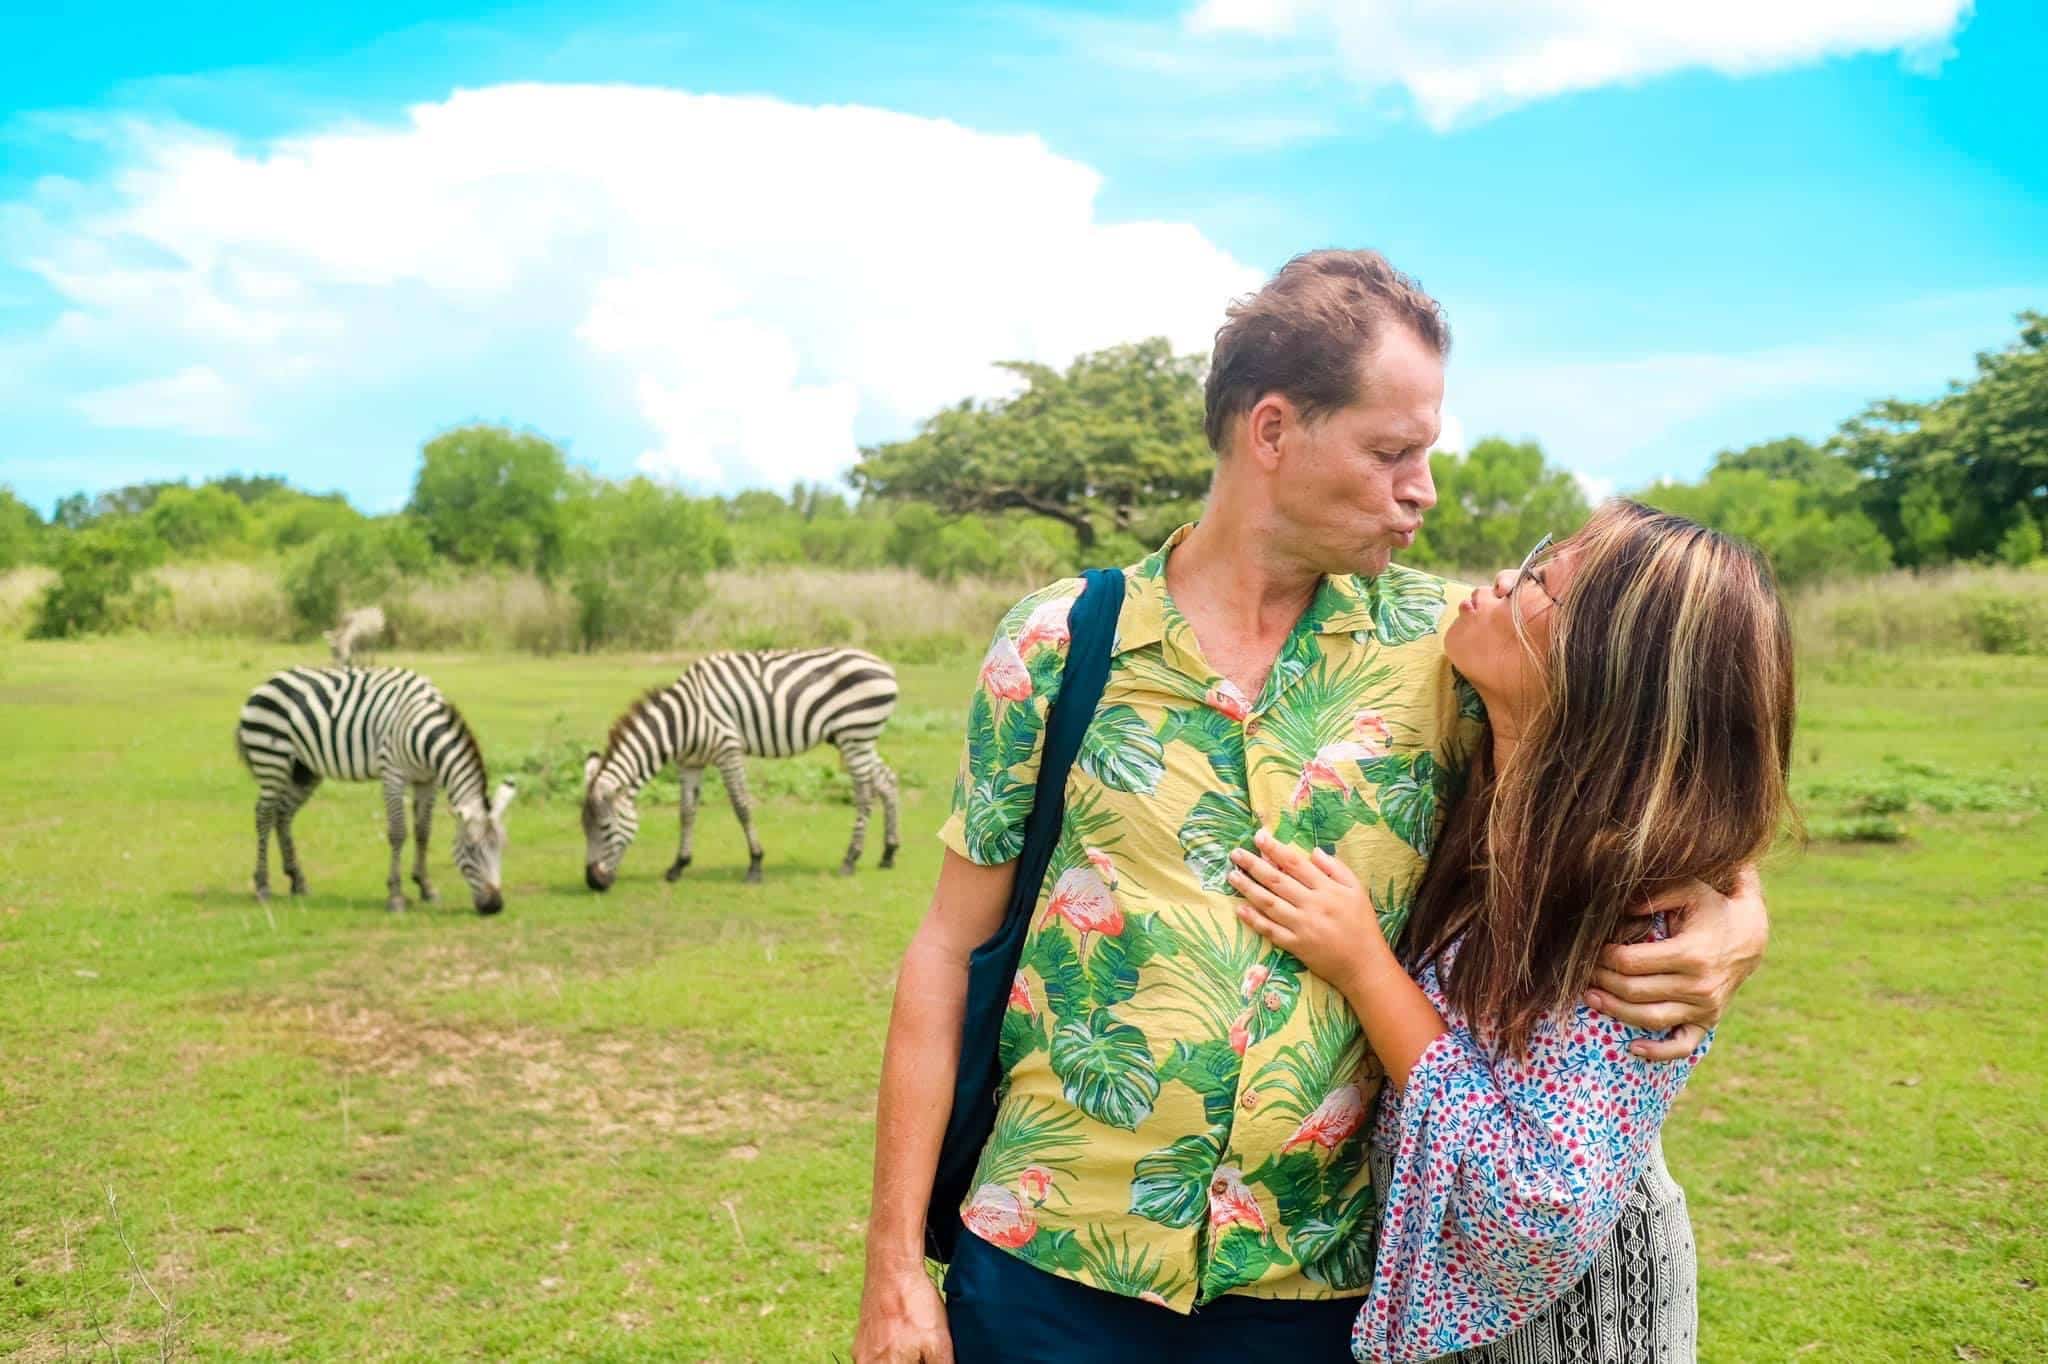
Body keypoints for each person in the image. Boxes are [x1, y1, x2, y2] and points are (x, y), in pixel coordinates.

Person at [853, 250, 1770, 1364]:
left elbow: (1653, 755)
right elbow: (946, 947)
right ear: (1273, 431)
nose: (1421, 488)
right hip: (1042, 1263)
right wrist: (895, 1264)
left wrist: (1733, 908)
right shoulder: (1056, 644)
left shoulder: (1457, 649)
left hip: (1310, 1290)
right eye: (1391, 451)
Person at [1229, 501, 1793, 1361]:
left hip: (1570, 1327)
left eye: (1541, 579)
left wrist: (1363, 966)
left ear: (1607, 669)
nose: (1497, 579)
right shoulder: (1492, 774)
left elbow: (1537, 1208)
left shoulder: (1638, 917)